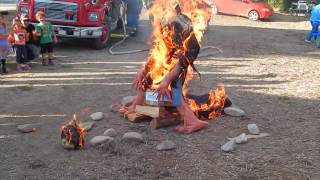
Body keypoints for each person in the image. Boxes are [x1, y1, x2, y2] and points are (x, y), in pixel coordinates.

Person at [119, 3, 208, 134]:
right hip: (172, 55)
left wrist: (166, 80)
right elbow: (158, 51)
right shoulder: (163, 21)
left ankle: (194, 122)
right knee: (149, 77)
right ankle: (135, 106)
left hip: (185, 55)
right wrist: (143, 70)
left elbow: (185, 57)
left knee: (175, 89)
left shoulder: (179, 22)